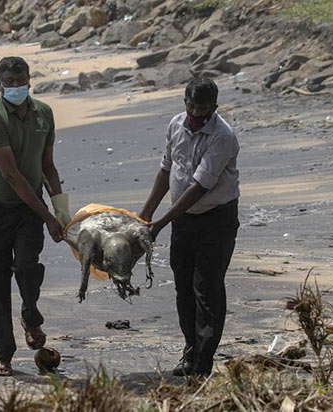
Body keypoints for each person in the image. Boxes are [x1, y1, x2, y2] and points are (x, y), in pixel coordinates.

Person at [0, 56, 70, 376]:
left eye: (20, 80)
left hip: (30, 210)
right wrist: (49, 218)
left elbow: (48, 165)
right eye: (8, 82)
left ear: (30, 80)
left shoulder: (44, 113)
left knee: (28, 267)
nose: (15, 87)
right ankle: (4, 354)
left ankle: (30, 315)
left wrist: (61, 211)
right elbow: (12, 176)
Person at [140, 77, 240, 377]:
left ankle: (203, 363)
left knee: (207, 288)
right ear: (185, 103)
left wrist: (161, 223)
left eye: (204, 109)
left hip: (216, 219)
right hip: (183, 220)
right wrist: (145, 215)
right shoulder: (176, 125)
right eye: (192, 107)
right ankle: (190, 351)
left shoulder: (223, 136)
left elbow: (199, 186)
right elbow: (166, 171)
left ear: (215, 107)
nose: (197, 114)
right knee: (183, 288)